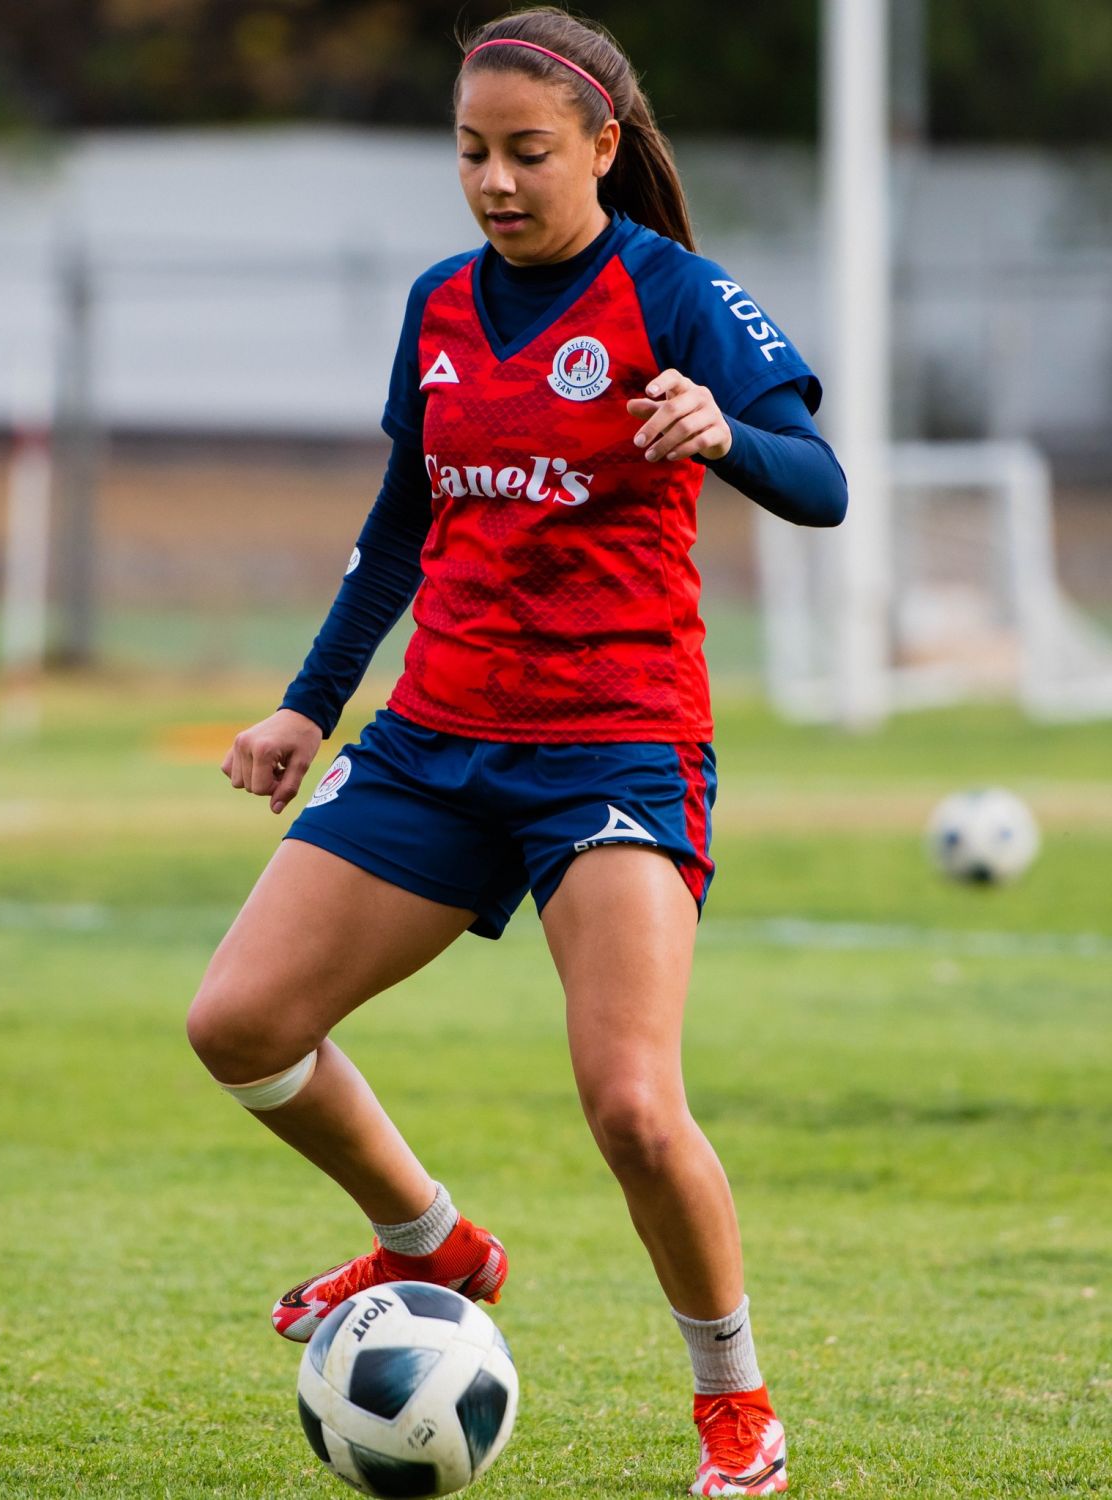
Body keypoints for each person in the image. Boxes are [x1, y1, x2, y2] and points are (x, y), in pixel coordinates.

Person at [186, 8, 846, 1496]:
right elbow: (399, 534)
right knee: (237, 1023)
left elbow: (824, 482)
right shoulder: (435, 306)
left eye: (526, 152)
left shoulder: (676, 296)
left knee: (629, 1103)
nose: (494, 179)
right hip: (434, 742)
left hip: (613, 748)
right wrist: (307, 704)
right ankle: (436, 1244)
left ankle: (735, 1404)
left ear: (604, 148)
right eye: (472, 151)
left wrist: (724, 436)